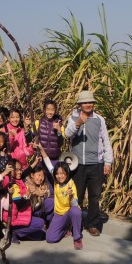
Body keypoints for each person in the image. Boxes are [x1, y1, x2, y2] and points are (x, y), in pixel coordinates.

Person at [65, 90, 113, 237]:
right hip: (77, 163)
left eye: (90, 102)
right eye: (85, 102)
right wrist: (78, 123)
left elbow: (106, 141)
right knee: (76, 195)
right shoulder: (73, 117)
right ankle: (74, 224)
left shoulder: (99, 119)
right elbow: (67, 134)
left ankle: (92, 224)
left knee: (94, 196)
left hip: (96, 164)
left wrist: (108, 162)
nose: (88, 104)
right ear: (79, 104)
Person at [41, 150, 84, 250]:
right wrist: (41, 149)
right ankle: (65, 230)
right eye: (58, 174)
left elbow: (75, 204)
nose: (60, 176)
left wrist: (71, 196)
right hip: (58, 214)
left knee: (76, 211)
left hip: (69, 212)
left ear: (67, 173)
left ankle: (77, 238)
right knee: (50, 239)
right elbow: (48, 162)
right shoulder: (56, 181)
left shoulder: (71, 184)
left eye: (62, 173)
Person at [2, 159, 46, 244]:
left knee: (41, 236)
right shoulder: (12, 184)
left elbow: (26, 171)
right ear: (10, 170)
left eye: (20, 169)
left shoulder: (18, 179)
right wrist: (27, 195)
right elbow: (18, 204)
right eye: (16, 169)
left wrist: (35, 162)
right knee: (40, 223)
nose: (19, 172)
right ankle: (14, 232)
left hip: (22, 215)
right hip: (15, 218)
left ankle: (17, 233)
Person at [34, 100, 65, 165]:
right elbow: (30, 139)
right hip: (41, 158)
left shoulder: (60, 124)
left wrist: (59, 131)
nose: (50, 112)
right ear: (44, 110)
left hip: (54, 159)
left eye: (52, 110)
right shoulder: (38, 123)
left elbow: (61, 143)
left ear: (55, 111)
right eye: (48, 109)